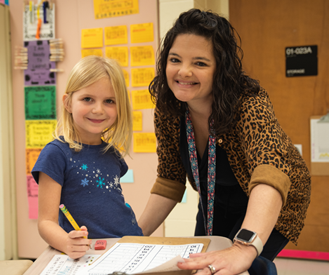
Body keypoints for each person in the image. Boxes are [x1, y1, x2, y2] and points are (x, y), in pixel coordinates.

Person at [138, 8, 311, 275]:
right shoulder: (169, 108)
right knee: (197, 264)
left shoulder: (248, 103)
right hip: (215, 196)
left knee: (244, 265)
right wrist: (135, 235)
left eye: (200, 63)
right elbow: (170, 178)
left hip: (273, 196)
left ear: (221, 69)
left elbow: (270, 171)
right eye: (175, 59)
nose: (184, 72)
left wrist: (244, 248)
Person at [32, 56, 143, 259]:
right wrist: (67, 242)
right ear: (68, 103)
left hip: (128, 245)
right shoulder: (55, 154)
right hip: (91, 254)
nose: (98, 109)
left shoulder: (111, 153)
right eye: (87, 99)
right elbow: (45, 222)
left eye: (109, 101)